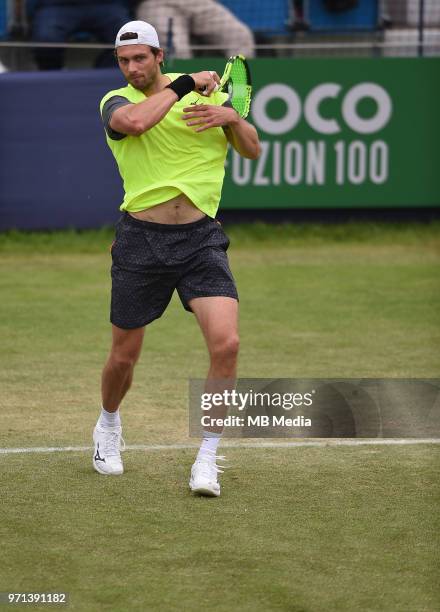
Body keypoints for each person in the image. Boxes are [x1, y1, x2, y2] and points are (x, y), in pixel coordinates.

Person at [94, 20, 260, 497]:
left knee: (226, 345)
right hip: (140, 241)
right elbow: (136, 124)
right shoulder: (116, 101)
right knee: (124, 357)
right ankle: (107, 423)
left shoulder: (211, 101)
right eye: (124, 60)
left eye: (140, 58)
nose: (131, 67)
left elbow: (251, 150)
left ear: (159, 55)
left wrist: (231, 118)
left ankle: (207, 457)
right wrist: (189, 83)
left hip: (201, 241)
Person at [30, 0, 131, 70]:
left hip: (105, 4)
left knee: (128, 39)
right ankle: (53, 77)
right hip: (58, 5)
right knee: (46, 39)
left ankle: (103, 75)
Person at [136, 0, 255, 58]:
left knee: (240, 35)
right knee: (177, 51)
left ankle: (239, 95)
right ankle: (183, 98)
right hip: (157, 4)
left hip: (195, 2)